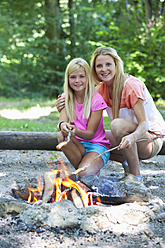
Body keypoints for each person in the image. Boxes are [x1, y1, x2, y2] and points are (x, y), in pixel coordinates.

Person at [56, 47, 165, 182]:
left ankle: (136, 176)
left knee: (117, 125)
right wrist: (63, 104)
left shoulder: (131, 86)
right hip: (127, 135)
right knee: (100, 136)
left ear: (116, 64)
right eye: (99, 66)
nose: (104, 69)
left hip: (149, 138)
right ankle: (118, 164)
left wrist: (132, 137)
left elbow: (144, 123)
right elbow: (85, 97)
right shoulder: (101, 89)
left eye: (108, 64)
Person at [57, 58, 111, 177]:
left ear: (88, 78)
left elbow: (90, 133)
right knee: (61, 135)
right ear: (67, 79)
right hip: (77, 144)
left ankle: (87, 172)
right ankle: (87, 173)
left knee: (84, 174)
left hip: (96, 146)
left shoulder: (97, 100)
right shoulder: (65, 98)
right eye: (73, 77)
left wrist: (75, 131)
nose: (77, 81)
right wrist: (62, 126)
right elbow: (62, 122)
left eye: (82, 76)